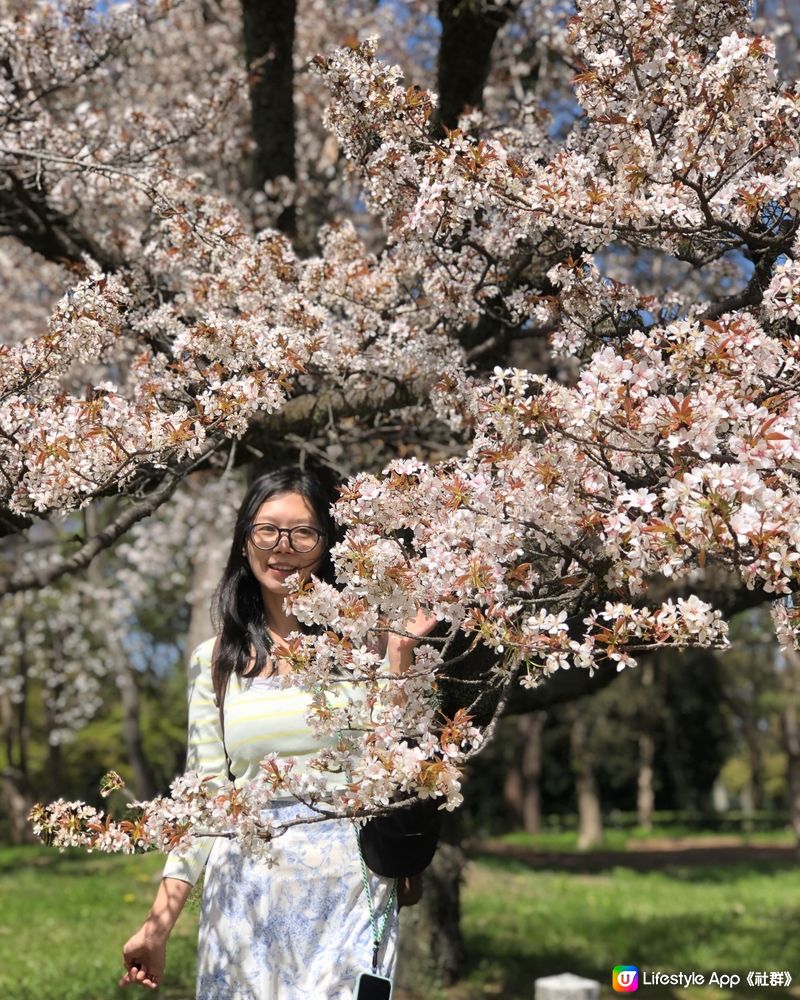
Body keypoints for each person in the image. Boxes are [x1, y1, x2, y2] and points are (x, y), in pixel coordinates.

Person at [120, 465, 432, 999]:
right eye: (267, 529)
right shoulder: (214, 662)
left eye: (303, 532)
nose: (282, 547)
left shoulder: (373, 649)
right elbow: (208, 803)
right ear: (246, 541)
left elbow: (391, 765)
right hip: (245, 891)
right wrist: (158, 924)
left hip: (349, 884)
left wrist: (398, 660)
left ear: (329, 545)